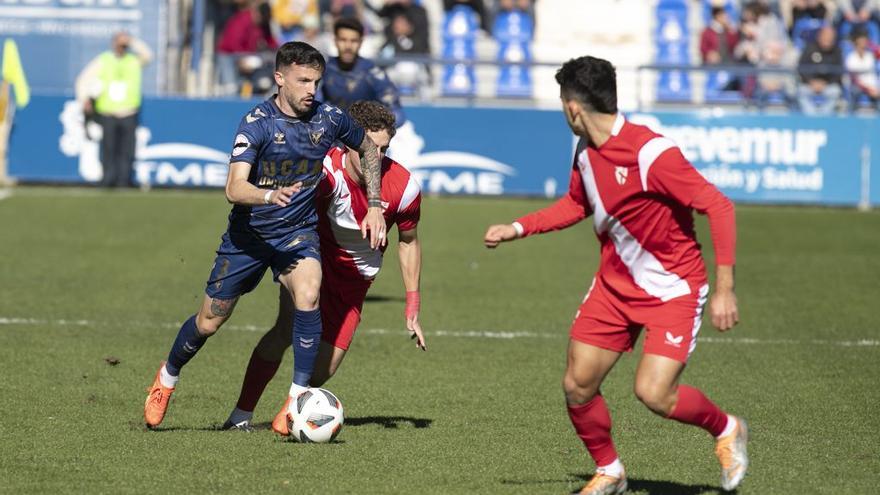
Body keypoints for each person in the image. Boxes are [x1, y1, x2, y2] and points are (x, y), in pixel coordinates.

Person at [483, 56, 747, 494]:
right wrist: (518, 227)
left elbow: (719, 206)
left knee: (655, 394)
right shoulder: (585, 150)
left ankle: (727, 428)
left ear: (573, 108)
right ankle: (611, 471)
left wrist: (725, 289)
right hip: (614, 287)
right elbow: (576, 204)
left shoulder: (652, 153)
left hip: (673, 290)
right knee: (578, 384)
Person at [143, 42, 388, 432]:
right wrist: (269, 195)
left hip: (297, 232)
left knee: (308, 294)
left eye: (317, 81)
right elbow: (234, 188)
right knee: (209, 322)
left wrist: (374, 202)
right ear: (279, 79)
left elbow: (368, 149)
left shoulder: (329, 119)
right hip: (249, 238)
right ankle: (167, 378)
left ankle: (296, 401)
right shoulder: (256, 123)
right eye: (303, 80)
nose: (312, 89)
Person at [221, 100, 426, 433]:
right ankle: (240, 414)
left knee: (325, 368)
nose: (377, 157)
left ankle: (289, 416)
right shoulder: (325, 173)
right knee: (285, 330)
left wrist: (412, 303)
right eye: (370, 148)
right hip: (312, 260)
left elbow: (409, 241)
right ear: (351, 144)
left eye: (385, 149)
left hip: (355, 282)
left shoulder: (404, 188)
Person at [75, 31, 152, 188]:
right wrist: (84, 99)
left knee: (127, 149)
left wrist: (132, 42)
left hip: (129, 111)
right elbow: (83, 79)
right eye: (119, 42)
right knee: (108, 148)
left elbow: (148, 55)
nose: (122, 46)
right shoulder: (104, 60)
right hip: (108, 112)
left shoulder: (133, 60)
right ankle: (107, 179)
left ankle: (124, 180)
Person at [319, 17, 407, 128]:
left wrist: (373, 130)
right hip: (331, 138)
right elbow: (312, 105)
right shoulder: (325, 69)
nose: (348, 46)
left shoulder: (372, 73)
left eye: (353, 41)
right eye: (343, 40)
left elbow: (397, 114)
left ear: (361, 42)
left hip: (362, 139)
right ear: (335, 41)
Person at [797, 25, 844, 114]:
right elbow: (801, 68)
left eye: (830, 37)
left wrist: (826, 84)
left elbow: (839, 72)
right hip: (809, 85)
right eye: (825, 36)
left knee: (835, 91)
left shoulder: (837, 51)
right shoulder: (810, 48)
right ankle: (811, 118)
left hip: (828, 85)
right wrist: (811, 82)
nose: (828, 40)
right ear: (819, 36)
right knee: (801, 91)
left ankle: (824, 118)